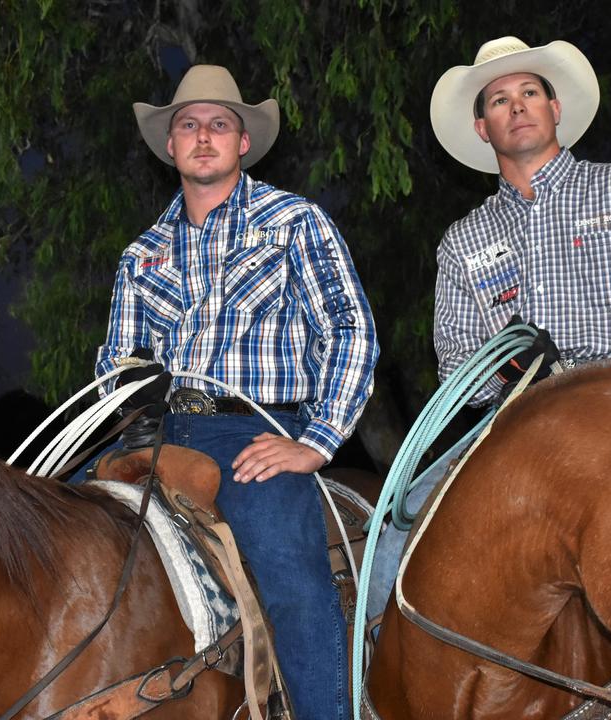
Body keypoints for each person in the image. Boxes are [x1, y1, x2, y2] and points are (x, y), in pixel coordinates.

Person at [366, 36, 611, 620]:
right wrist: (514, 375)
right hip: (523, 431)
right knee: (396, 532)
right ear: (483, 128)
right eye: (499, 100)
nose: (517, 106)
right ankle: (371, 676)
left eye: (530, 91)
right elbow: (457, 367)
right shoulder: (463, 241)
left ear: (555, 110)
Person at [94, 65, 379, 720]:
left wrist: (315, 441)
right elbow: (113, 362)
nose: (202, 136)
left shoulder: (293, 222)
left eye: (219, 124)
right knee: (57, 529)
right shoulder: (141, 255)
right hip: (159, 431)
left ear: (243, 141)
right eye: (188, 125)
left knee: (296, 588)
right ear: (169, 143)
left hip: (255, 430)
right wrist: (128, 386)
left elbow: (348, 327)